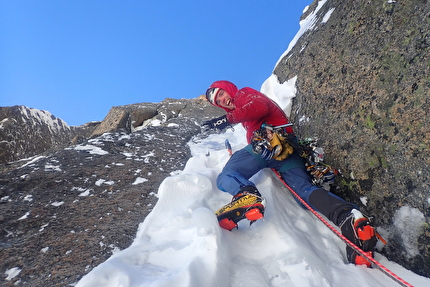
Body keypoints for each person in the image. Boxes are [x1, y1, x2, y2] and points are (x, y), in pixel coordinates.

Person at [202, 80, 377, 266]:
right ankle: (348, 217)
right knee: (303, 192)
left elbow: (259, 107)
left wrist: (226, 120)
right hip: (287, 149)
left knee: (227, 175)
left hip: (267, 144)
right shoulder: (243, 109)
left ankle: (246, 194)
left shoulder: (243, 94)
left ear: (229, 89)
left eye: (221, 94)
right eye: (217, 102)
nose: (222, 101)